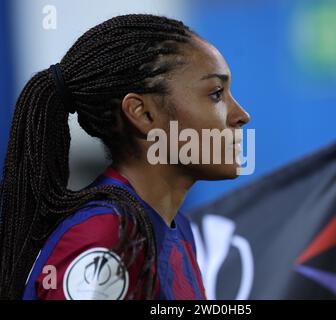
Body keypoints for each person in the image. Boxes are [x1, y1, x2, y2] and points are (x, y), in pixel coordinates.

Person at [0, 13, 250, 300]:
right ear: (142, 114)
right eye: (216, 94)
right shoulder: (104, 234)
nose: (241, 115)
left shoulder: (176, 228)